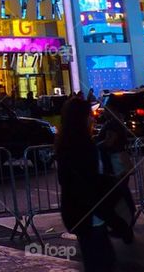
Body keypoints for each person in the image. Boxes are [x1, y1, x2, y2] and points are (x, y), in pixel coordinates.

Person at [55, 97, 116, 272]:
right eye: (89, 115)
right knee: (101, 261)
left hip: (80, 214)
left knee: (96, 259)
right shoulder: (84, 147)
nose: (93, 118)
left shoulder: (66, 144)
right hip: (90, 215)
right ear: (81, 118)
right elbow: (89, 183)